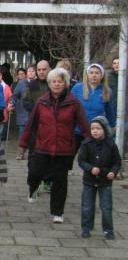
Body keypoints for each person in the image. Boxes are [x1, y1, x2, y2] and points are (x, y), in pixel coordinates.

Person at [20, 67, 89, 223]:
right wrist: (23, 144)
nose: (57, 84)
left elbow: (84, 124)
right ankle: (33, 188)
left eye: (60, 81)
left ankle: (58, 212)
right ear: (49, 84)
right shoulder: (41, 102)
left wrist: (91, 141)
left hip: (64, 148)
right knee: (35, 173)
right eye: (54, 82)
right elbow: (31, 124)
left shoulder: (74, 103)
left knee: (60, 181)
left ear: (65, 84)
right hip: (42, 145)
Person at [78, 116, 121, 239]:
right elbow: (81, 161)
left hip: (105, 181)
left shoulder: (111, 145)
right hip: (89, 180)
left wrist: (113, 172)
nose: (95, 131)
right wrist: (90, 168)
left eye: (98, 128)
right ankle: (86, 228)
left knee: (106, 207)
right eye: (92, 129)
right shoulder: (86, 144)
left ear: (105, 130)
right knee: (87, 206)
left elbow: (117, 162)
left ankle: (108, 230)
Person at [71, 63, 115, 149]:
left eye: (97, 73)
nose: (94, 75)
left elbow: (110, 112)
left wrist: (113, 126)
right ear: (87, 74)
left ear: (102, 75)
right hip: (77, 130)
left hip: (95, 131)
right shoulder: (77, 88)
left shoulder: (107, 91)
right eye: (91, 72)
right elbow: (70, 108)